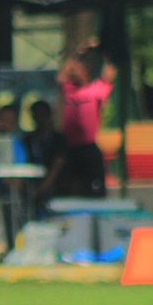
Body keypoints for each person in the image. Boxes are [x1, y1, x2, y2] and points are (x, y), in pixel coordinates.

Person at [58, 42, 116, 197]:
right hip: (70, 148)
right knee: (70, 186)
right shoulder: (70, 89)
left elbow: (109, 75)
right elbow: (61, 76)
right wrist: (77, 53)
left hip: (88, 147)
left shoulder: (95, 90)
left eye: (78, 68)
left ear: (87, 71)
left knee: (95, 187)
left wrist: (105, 55)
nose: (73, 71)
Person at [27, 99, 67, 202]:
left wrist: (39, 190)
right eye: (37, 115)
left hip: (54, 186)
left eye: (43, 115)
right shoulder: (28, 140)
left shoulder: (58, 139)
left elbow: (57, 167)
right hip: (32, 181)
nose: (40, 119)